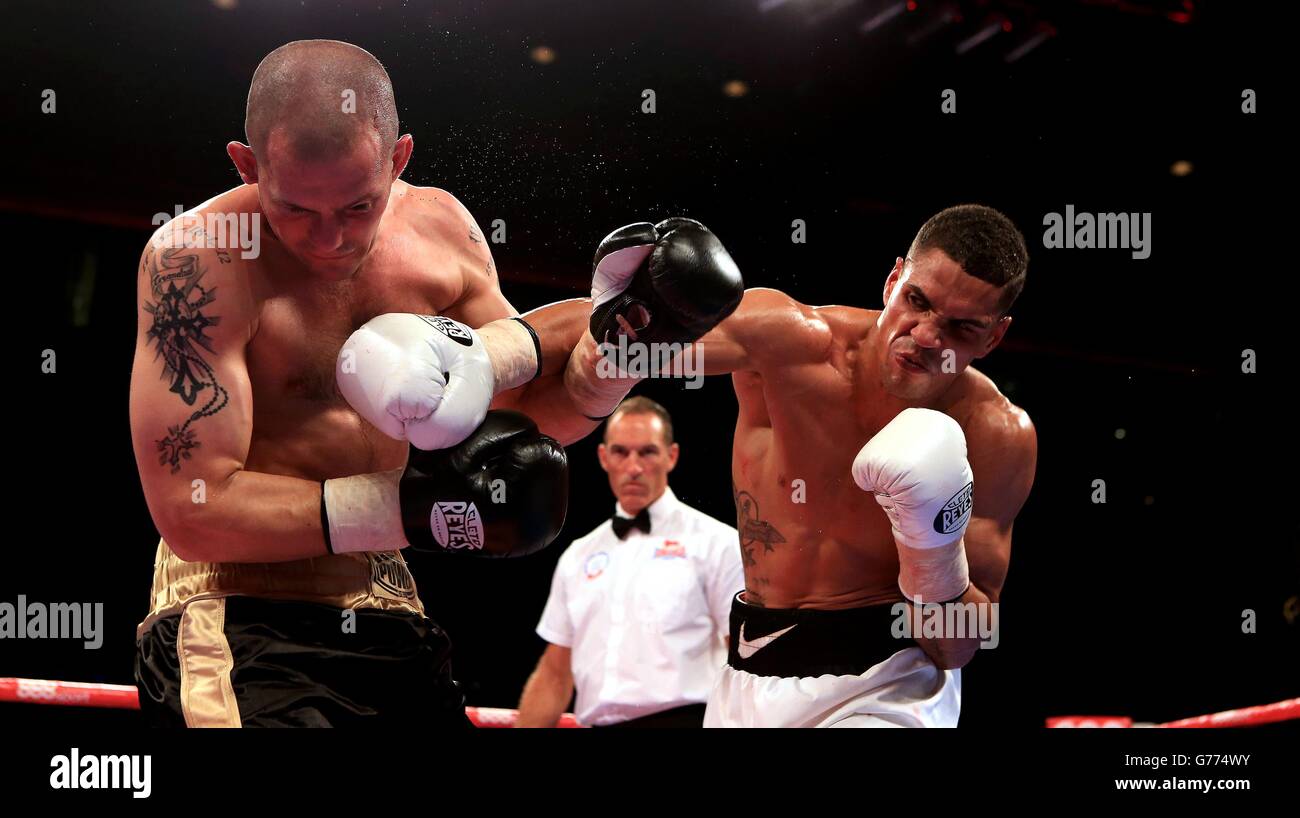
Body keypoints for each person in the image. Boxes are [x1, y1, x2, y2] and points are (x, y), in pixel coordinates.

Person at [128, 38, 742, 727]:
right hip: (235, 615)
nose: (329, 238)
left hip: (390, 607)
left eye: (358, 206)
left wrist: (616, 355)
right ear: (248, 165)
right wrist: (416, 509)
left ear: (399, 159)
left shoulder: (440, 231)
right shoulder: (200, 261)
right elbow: (193, 509)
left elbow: (520, 424)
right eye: (297, 209)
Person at [694, 204, 1038, 727]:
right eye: (917, 301)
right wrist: (525, 349)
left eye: (961, 328)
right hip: (745, 673)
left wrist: (934, 552)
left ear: (994, 337)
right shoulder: (791, 342)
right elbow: (624, 346)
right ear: (893, 279)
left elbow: (961, 645)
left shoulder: (995, 432)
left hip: (888, 684)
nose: (926, 337)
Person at [517, 398, 743, 728]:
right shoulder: (578, 556)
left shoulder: (716, 542)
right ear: (604, 458)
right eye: (621, 452)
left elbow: (741, 654)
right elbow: (554, 673)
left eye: (647, 452)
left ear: (672, 456)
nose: (634, 467)